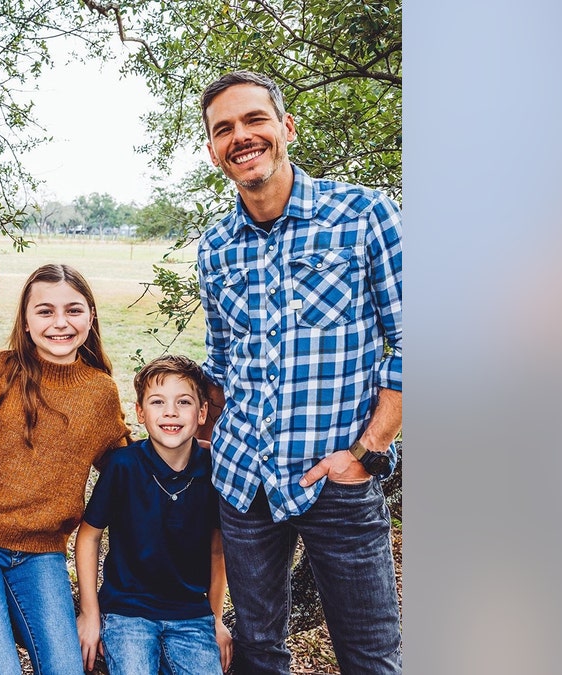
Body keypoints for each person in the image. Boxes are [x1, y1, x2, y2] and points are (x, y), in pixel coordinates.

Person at [196, 71, 403, 673]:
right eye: (224, 129)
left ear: (285, 126)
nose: (241, 136)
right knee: (260, 651)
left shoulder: (364, 215)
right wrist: (199, 428)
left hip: (338, 476)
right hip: (245, 482)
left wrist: (368, 451)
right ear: (214, 151)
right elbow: (222, 358)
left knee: (369, 655)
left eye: (254, 119)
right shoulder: (216, 247)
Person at [0, 264, 132, 675]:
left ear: (91, 317)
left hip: (43, 555)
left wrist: (185, 452)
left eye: (73, 310)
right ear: (25, 322)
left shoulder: (99, 392)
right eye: (44, 311)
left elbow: (127, 470)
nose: (60, 323)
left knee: (66, 668)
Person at [75, 354, 234, 674]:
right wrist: (90, 614)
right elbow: (89, 537)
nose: (171, 412)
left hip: (191, 615)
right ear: (140, 413)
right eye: (158, 402)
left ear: (202, 412)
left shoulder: (213, 471)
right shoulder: (123, 466)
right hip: (127, 614)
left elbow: (218, 551)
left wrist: (216, 619)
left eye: (184, 402)